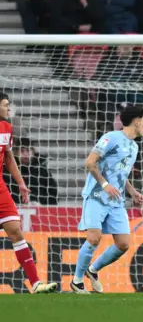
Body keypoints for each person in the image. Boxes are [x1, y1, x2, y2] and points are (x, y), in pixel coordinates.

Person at [71, 105, 143, 294]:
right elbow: (89, 162)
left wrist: (131, 191)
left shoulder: (134, 146)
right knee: (94, 238)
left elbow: (121, 174)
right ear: (136, 121)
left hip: (116, 201)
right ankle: (77, 281)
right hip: (97, 195)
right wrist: (105, 185)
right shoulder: (111, 137)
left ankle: (93, 270)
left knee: (123, 244)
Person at [0, 93, 57, 293]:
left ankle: (35, 283)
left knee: (15, 230)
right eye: (6, 105)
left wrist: (21, 183)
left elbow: (8, 157)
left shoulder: (7, 128)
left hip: (1, 189)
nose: (9, 109)